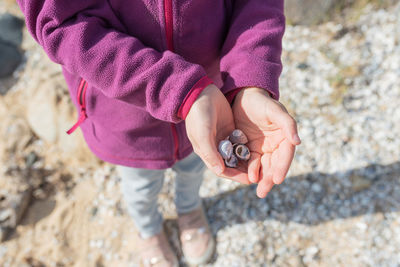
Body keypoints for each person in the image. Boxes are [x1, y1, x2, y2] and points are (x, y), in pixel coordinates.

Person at [17, 0, 301, 265]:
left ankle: (189, 210)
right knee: (140, 187)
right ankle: (148, 229)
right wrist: (178, 89)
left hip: (211, 107)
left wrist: (249, 79)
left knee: (195, 169)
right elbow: (61, 23)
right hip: (126, 118)